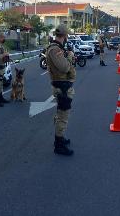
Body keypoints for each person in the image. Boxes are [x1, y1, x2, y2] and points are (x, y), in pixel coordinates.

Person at [46, 24, 76, 156]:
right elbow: (64, 68)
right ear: (64, 35)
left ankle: (60, 137)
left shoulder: (58, 48)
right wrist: (69, 56)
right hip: (62, 86)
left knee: (61, 114)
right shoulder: (55, 49)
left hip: (63, 84)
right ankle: (58, 144)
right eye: (67, 35)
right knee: (63, 116)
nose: (67, 37)